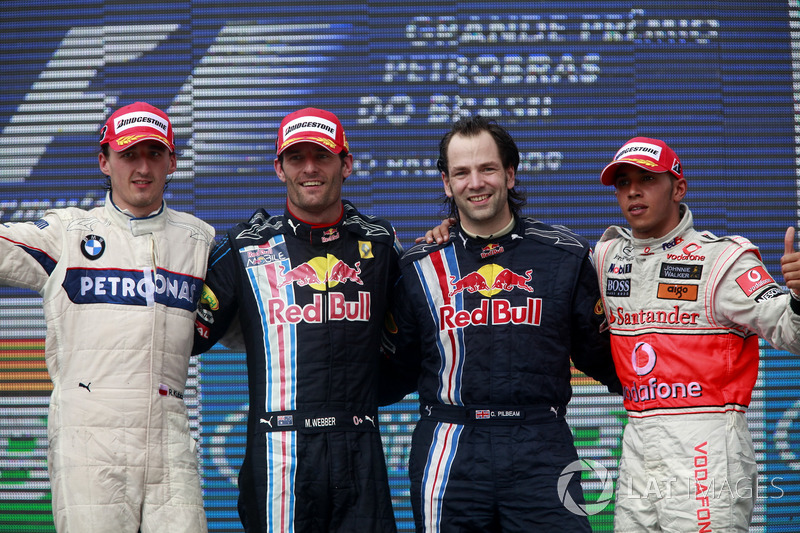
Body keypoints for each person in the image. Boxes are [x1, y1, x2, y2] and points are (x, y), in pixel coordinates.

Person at [382, 115, 622, 532]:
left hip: (541, 447)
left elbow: (602, 356)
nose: (475, 182)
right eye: (462, 172)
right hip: (450, 447)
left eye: (487, 168)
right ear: (446, 183)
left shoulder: (564, 255)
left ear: (510, 175)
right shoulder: (420, 265)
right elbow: (394, 370)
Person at [0, 102, 213, 532]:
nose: (142, 167)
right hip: (88, 436)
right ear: (105, 161)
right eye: (129, 154)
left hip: (168, 432)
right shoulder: (69, 233)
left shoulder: (199, 240)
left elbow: (252, 328)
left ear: (172, 161)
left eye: (154, 154)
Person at [192, 107, 402, 533]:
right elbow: (190, 335)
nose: (310, 168)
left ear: (346, 163)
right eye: (296, 158)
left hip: (359, 446)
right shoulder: (244, 246)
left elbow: (417, 339)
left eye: (322, 156)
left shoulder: (379, 244)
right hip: (277, 451)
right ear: (279, 168)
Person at [595, 136, 800, 531]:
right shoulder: (607, 256)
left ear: (679, 188)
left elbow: (792, 335)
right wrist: (451, 233)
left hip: (704, 443)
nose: (633, 191)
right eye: (623, 183)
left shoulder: (722, 260)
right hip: (637, 438)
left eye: (647, 179)